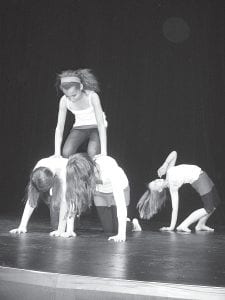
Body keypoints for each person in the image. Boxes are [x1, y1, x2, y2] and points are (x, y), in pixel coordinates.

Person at [137, 151, 220, 232]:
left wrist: (165, 165)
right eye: (155, 184)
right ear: (160, 190)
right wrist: (171, 227)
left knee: (216, 202)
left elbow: (174, 153)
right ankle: (183, 225)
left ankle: (201, 224)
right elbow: (175, 209)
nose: (156, 181)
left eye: (154, 180)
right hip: (199, 180)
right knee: (208, 207)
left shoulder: (168, 172)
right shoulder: (173, 187)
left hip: (203, 175)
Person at [65, 153, 142, 242]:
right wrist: (69, 230)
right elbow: (73, 197)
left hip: (118, 191)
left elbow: (120, 203)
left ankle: (133, 224)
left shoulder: (111, 170)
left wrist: (121, 234)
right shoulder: (81, 172)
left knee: (118, 228)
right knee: (108, 230)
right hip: (100, 193)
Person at [9, 156, 71, 236]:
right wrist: (22, 226)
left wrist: (61, 230)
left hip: (69, 180)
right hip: (53, 182)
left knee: (64, 224)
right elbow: (32, 199)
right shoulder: (37, 172)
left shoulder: (62, 171)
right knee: (55, 225)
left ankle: (76, 214)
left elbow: (65, 202)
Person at [54, 69, 107, 158]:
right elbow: (59, 127)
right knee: (66, 153)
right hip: (80, 126)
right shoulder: (64, 100)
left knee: (93, 153)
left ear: (81, 87)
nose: (71, 99)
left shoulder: (92, 97)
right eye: (68, 96)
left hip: (96, 126)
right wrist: (56, 153)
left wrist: (104, 152)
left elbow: (101, 125)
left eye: (74, 95)